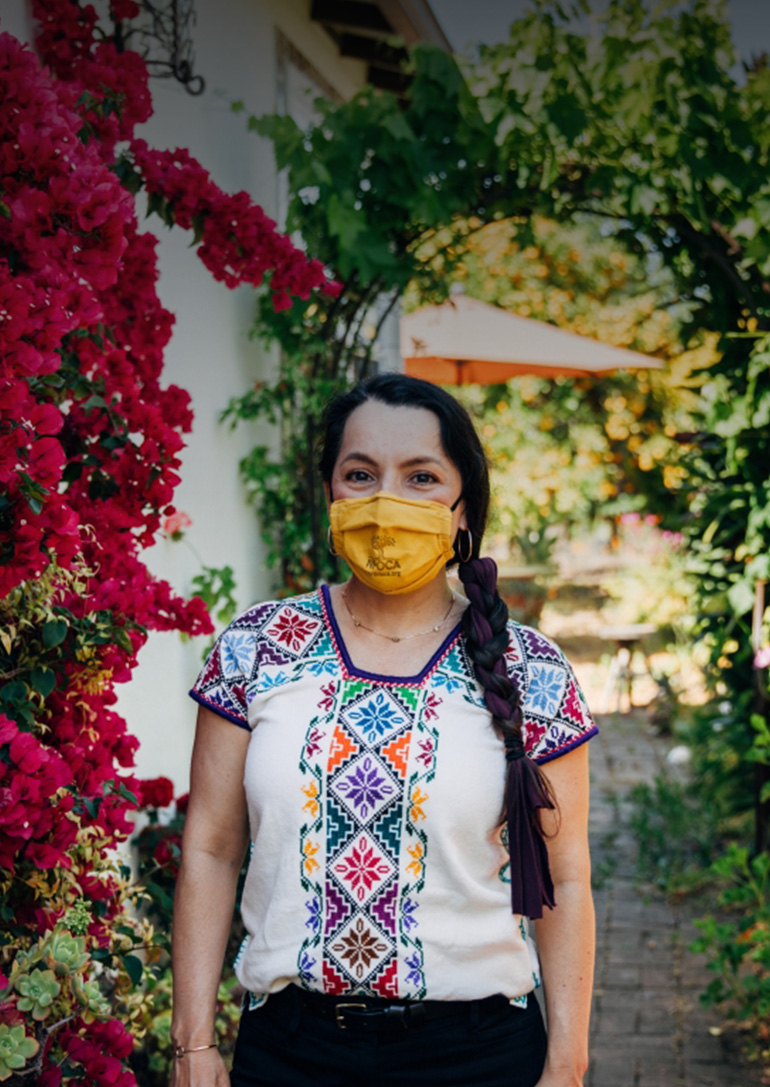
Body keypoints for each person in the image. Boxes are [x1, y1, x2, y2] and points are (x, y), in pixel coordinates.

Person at [171, 373, 598, 1087]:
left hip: (479, 1055)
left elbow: (567, 877)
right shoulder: (259, 645)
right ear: (331, 495)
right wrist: (192, 1043)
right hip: (289, 1051)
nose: (386, 499)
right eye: (360, 473)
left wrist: (568, 1063)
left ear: (465, 509)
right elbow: (211, 847)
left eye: (421, 476)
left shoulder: (531, 669)